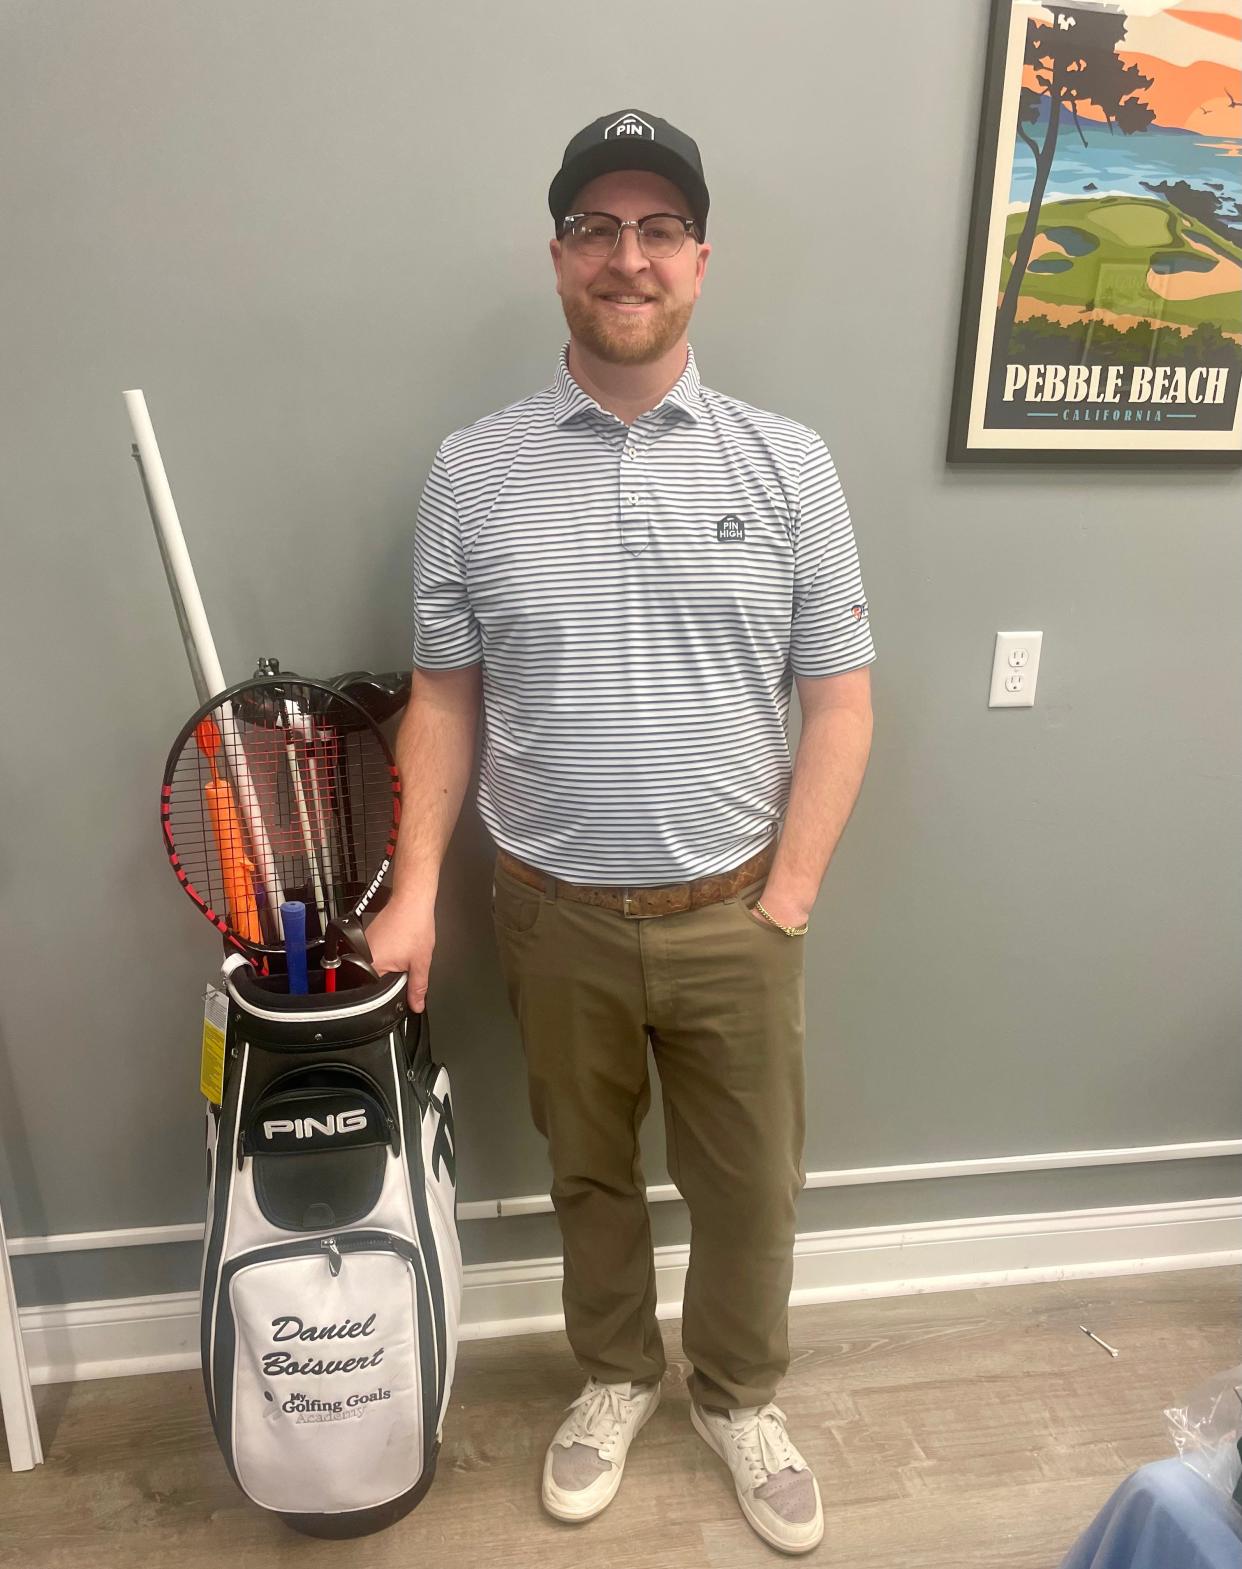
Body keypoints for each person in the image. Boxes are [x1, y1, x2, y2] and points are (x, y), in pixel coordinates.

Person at [367, 108, 875, 1556]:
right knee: (585, 1169)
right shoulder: (472, 471)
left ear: (699, 261)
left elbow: (838, 702)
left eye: (657, 230)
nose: (627, 257)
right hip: (551, 912)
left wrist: (784, 897)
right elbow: (441, 704)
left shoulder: (790, 465)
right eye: (597, 228)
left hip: (733, 915)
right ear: (558, 258)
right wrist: (417, 899)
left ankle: (736, 1392)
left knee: (749, 1186)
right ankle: (613, 1375)